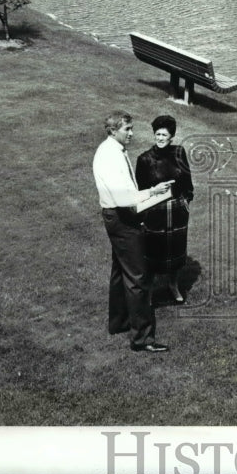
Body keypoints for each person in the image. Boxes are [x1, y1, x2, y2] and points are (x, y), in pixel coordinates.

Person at [92, 110, 172, 353]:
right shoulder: (110, 156)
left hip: (116, 216)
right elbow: (124, 197)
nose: (132, 134)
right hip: (122, 218)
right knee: (138, 277)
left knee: (120, 272)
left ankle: (119, 322)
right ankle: (142, 339)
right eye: (127, 129)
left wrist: (152, 192)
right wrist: (153, 193)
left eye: (131, 128)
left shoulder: (112, 150)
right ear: (113, 130)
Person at [135, 115, 194, 304]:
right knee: (153, 251)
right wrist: (143, 216)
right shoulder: (144, 159)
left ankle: (173, 284)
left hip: (177, 211)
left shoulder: (179, 153)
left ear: (172, 137)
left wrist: (186, 201)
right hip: (155, 212)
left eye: (164, 135)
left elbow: (187, 181)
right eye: (157, 134)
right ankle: (150, 290)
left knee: (176, 249)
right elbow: (140, 191)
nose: (160, 138)